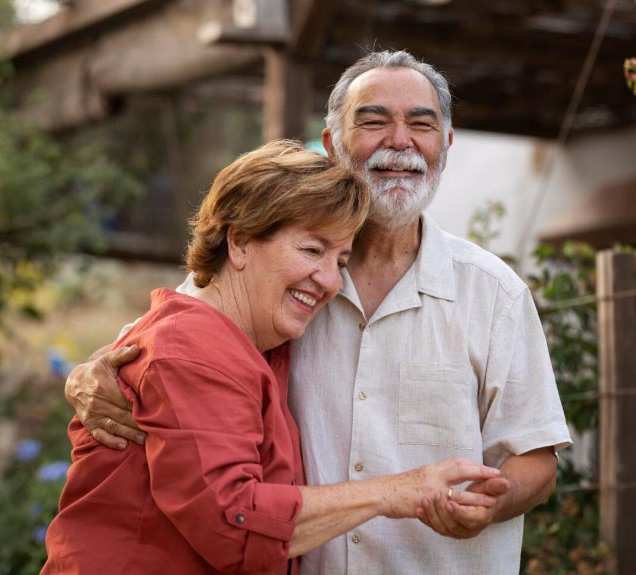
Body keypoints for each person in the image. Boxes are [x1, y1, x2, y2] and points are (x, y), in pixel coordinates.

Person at [65, 51, 572, 575]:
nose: (400, 141)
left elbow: (537, 455)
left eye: (421, 124)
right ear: (332, 145)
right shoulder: (270, 278)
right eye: (373, 121)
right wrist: (86, 375)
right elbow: (166, 343)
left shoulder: (494, 292)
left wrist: (492, 501)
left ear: (445, 144)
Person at [42, 140, 504, 575]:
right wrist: (396, 492)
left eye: (340, 261)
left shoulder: (260, 340)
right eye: (311, 249)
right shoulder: (193, 348)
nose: (328, 280)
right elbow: (233, 522)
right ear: (239, 242)